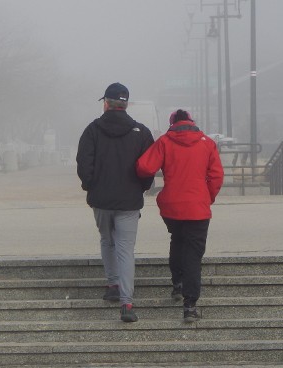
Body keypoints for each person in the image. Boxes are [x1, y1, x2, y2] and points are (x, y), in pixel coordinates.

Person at [135, 109, 223, 322]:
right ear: (192, 121)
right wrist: (206, 196)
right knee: (193, 254)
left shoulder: (165, 142)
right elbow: (216, 176)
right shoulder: (207, 143)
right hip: (198, 207)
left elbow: (144, 167)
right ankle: (190, 304)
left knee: (178, 239)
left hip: (172, 206)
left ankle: (178, 283)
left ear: (172, 123)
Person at [76, 82, 154, 322]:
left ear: (106, 103)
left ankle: (112, 285)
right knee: (125, 249)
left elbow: (83, 164)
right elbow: (148, 168)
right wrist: (139, 188)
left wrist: (91, 186)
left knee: (107, 240)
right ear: (126, 104)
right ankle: (126, 303)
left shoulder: (92, 130)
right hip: (129, 201)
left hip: (101, 199)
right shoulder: (141, 132)